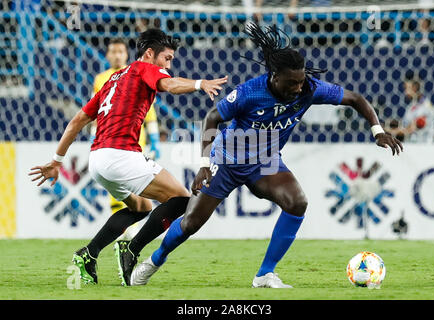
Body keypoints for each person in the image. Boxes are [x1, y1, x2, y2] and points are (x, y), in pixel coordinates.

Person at [118, 23, 403, 288]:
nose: (299, 89)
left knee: (297, 202)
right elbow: (211, 118)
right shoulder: (250, 92)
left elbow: (355, 99)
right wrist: (205, 164)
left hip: (264, 161)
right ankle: (154, 261)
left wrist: (377, 130)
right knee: (191, 223)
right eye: (292, 83)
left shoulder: (309, 90)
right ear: (274, 77)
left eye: (301, 82)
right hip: (226, 160)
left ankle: (265, 273)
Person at [28, 28, 228, 284]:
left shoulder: (112, 80)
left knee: (141, 207)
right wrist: (200, 84)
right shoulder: (144, 68)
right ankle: (132, 251)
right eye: (166, 59)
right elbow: (170, 84)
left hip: (98, 160)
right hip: (121, 155)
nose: (168, 65)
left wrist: (57, 160)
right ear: (149, 53)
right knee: (180, 198)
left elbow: (77, 121)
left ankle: (89, 253)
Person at [92, 38, 163, 238]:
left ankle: (129, 235)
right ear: (107, 55)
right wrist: (93, 136)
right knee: (120, 194)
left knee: (138, 192)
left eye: (120, 52)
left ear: (126, 54)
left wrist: (155, 139)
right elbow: (97, 111)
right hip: (109, 143)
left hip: (135, 145)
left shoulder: (137, 73)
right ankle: (127, 236)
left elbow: (149, 112)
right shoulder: (100, 79)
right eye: (113, 52)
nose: (116, 55)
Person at [386, 77, 434, 143]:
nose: (405, 92)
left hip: (424, 147)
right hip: (411, 146)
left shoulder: (426, 107)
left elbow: (411, 129)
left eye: (406, 88)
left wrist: (390, 131)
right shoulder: (411, 106)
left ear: (415, 87)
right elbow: (405, 125)